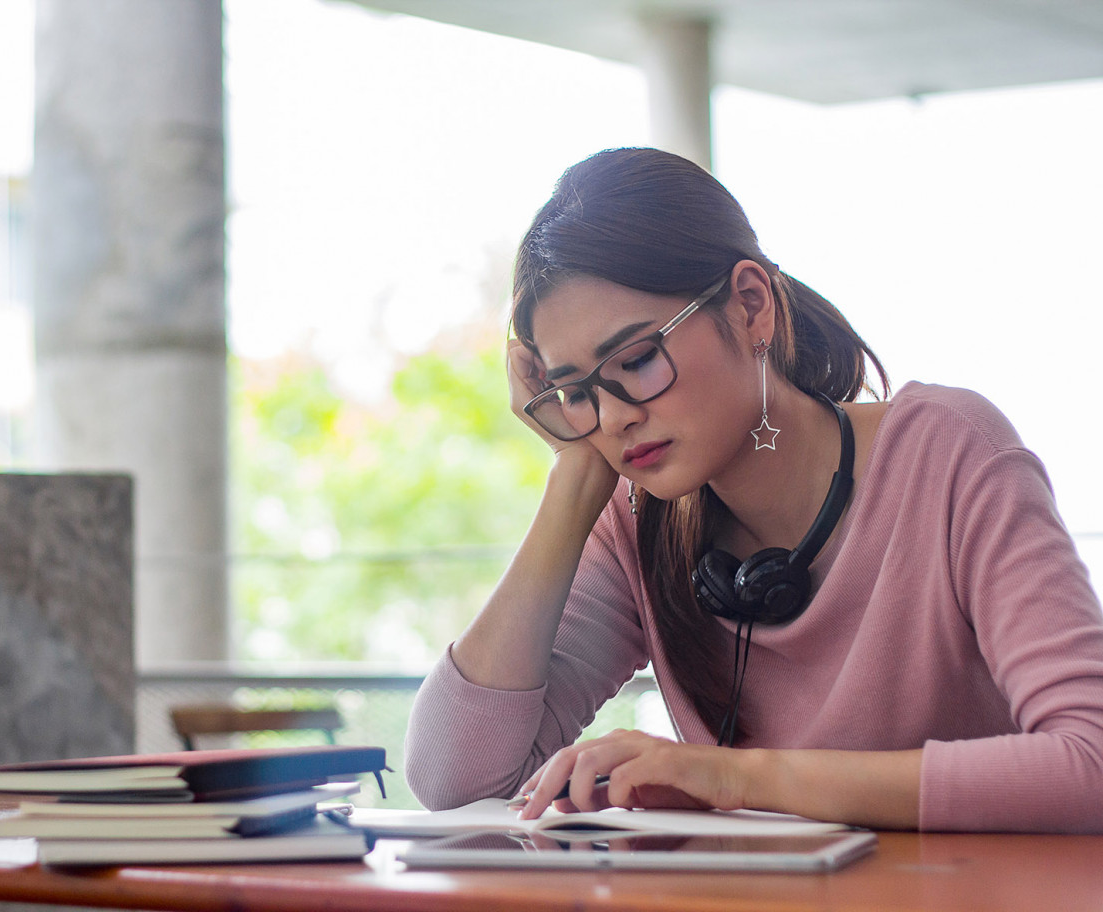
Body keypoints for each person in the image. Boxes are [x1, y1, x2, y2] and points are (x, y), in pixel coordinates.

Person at [402, 147, 1103, 833]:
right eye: (576, 390)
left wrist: (738, 780)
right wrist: (576, 477)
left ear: (750, 305)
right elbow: (455, 780)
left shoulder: (951, 452)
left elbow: (1092, 761)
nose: (613, 417)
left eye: (637, 359)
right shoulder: (636, 517)